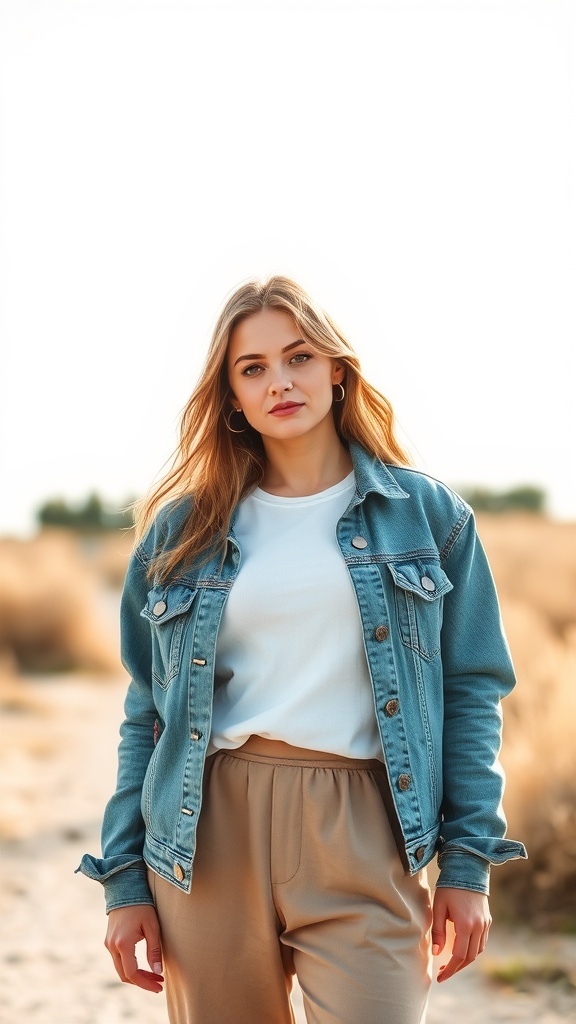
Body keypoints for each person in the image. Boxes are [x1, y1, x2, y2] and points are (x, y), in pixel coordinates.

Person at [77, 275, 527, 1024]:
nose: (280, 381)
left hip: (364, 825)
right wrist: (125, 882)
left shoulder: (429, 517)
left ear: (337, 369)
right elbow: (147, 715)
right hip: (209, 829)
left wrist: (468, 865)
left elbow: (474, 691)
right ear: (230, 395)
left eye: (299, 357)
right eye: (252, 368)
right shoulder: (181, 532)